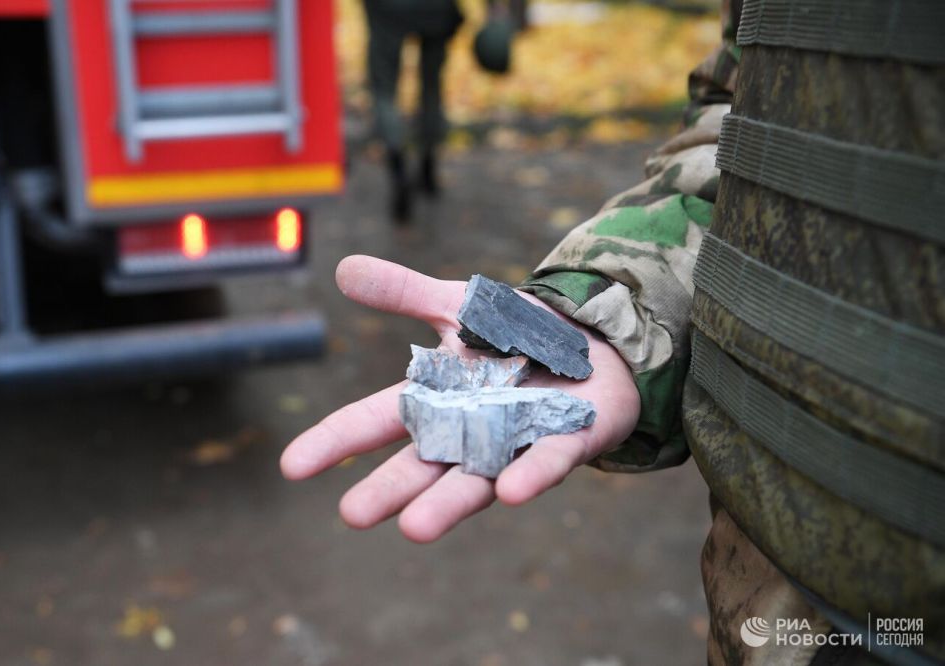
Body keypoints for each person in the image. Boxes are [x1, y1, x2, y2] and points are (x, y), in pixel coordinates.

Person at [283, 1, 944, 663]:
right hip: (771, 603)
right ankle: (420, 156)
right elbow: (740, 128)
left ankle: (404, 155)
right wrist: (615, 312)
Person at [361, 0, 463, 223]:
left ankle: (399, 172)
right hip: (436, 10)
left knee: (385, 91)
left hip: (387, 11)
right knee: (431, 87)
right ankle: (428, 168)